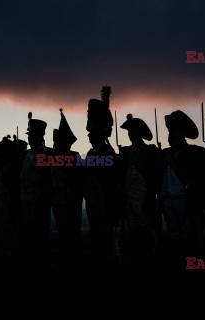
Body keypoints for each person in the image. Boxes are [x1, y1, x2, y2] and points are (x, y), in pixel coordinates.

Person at [83, 86, 122, 264]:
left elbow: (108, 179)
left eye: (92, 133)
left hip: (105, 204)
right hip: (94, 202)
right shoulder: (93, 152)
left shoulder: (106, 151)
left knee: (107, 242)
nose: (89, 137)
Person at [160, 110, 205, 256]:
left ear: (180, 131)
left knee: (187, 237)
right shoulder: (165, 153)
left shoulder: (192, 152)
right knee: (173, 236)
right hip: (167, 199)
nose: (170, 132)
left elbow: (199, 179)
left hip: (184, 199)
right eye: (169, 129)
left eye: (173, 129)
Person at [119, 114, 159, 261]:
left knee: (144, 230)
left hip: (143, 198)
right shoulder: (126, 152)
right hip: (129, 197)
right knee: (132, 229)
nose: (130, 135)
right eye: (129, 132)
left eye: (133, 132)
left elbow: (154, 175)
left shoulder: (148, 150)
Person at [19, 112, 52, 267]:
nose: (29, 137)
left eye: (32, 134)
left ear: (40, 135)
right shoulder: (27, 155)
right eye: (29, 134)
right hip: (26, 203)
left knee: (39, 242)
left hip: (39, 204)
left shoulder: (45, 153)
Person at [51, 108, 83, 267]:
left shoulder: (73, 156)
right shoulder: (52, 158)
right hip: (57, 201)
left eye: (57, 141)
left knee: (72, 232)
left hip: (70, 201)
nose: (54, 143)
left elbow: (79, 179)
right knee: (62, 232)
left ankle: (73, 259)